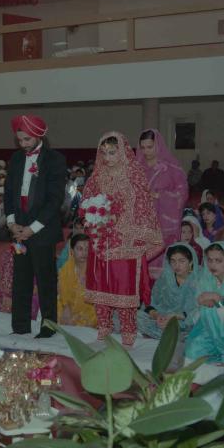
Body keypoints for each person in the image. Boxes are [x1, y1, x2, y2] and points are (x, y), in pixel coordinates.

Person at [82, 132, 163, 346]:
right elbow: (86, 205)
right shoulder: (96, 177)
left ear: (123, 152)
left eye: (112, 152)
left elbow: (143, 208)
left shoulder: (133, 175)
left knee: (124, 289)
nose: (108, 157)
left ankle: (128, 333)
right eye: (104, 153)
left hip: (125, 240)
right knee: (101, 288)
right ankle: (104, 329)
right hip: (101, 240)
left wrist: (125, 229)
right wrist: (95, 221)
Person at [4, 114, 66, 338]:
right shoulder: (17, 159)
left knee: (45, 280)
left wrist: (33, 228)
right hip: (19, 229)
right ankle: (20, 326)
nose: (23, 145)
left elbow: (54, 199)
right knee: (21, 279)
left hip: (42, 230)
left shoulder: (55, 160)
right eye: (20, 140)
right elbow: (9, 193)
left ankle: (48, 327)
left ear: (39, 136)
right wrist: (12, 223)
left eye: (27, 140)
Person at [136, 129, 188, 267]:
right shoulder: (136, 169)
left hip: (164, 222)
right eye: (143, 147)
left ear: (158, 145)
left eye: (150, 147)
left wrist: (160, 195)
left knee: (163, 257)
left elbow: (182, 193)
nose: (146, 151)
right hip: (143, 221)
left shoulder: (171, 167)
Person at [137, 243, 198, 339]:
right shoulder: (165, 278)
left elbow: (199, 311)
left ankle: (172, 335)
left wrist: (175, 317)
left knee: (198, 324)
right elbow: (150, 301)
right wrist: (156, 315)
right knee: (134, 315)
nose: (177, 265)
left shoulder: (199, 279)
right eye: (173, 261)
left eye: (182, 261)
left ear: (191, 262)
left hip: (184, 320)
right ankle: (167, 335)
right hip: (162, 317)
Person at [57, 233, 97, 327]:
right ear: (71, 251)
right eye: (80, 249)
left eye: (87, 249)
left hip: (90, 308)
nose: (84, 253)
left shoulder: (96, 270)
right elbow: (62, 294)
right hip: (69, 305)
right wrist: (67, 308)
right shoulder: (65, 270)